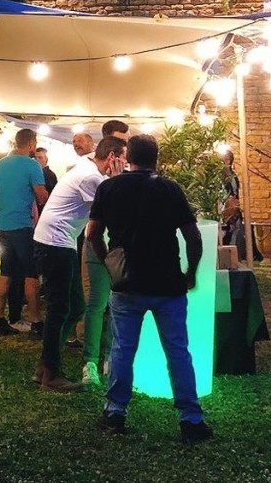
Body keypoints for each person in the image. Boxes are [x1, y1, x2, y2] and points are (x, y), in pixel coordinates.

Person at [85, 134, 212, 444]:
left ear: (128, 157)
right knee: (177, 350)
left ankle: (115, 412)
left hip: (127, 282)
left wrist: (109, 263)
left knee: (122, 348)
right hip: (167, 282)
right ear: (156, 158)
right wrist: (190, 273)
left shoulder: (109, 188)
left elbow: (92, 234)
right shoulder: (170, 189)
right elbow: (193, 236)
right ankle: (191, 419)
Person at [34, 136, 126, 391]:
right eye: (124, 159)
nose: (126, 164)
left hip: (59, 243)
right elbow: (115, 211)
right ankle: (50, 375)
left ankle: (44, 366)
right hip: (54, 244)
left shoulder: (89, 168)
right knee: (59, 309)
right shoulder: (91, 178)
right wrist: (117, 181)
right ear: (112, 158)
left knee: (75, 308)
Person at [0, 128, 48, 338]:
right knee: (30, 274)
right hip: (23, 225)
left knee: (6, 271)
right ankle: (35, 321)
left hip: (3, 225)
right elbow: (41, 195)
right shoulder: (32, 165)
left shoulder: (0, 164)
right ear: (31, 143)